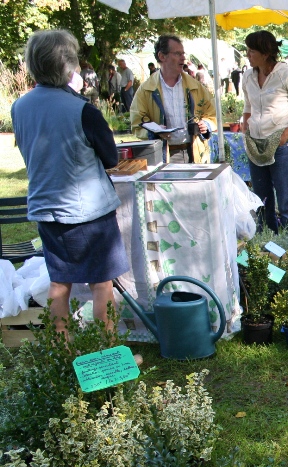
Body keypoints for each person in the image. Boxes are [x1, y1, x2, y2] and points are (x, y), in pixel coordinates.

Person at [11, 29, 129, 333]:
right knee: (101, 283)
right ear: (68, 65)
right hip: (87, 210)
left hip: (46, 206)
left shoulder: (19, 107)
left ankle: (61, 351)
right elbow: (111, 158)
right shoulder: (82, 109)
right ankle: (107, 351)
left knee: (59, 282)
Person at [242, 30, 288, 233]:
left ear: (265, 53)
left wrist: (285, 135)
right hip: (255, 145)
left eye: (251, 51)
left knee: (285, 201)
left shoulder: (286, 74)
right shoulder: (248, 76)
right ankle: (267, 241)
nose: (247, 54)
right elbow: (247, 107)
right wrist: (245, 127)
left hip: (280, 146)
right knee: (261, 200)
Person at [130, 35, 216, 164]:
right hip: (163, 156)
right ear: (162, 56)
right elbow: (137, 123)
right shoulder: (146, 89)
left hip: (194, 153)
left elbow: (212, 113)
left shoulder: (195, 86)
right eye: (177, 53)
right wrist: (154, 131)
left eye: (183, 54)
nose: (183, 58)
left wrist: (206, 124)